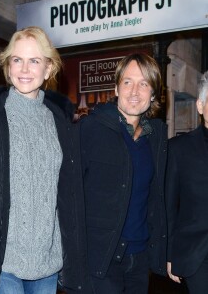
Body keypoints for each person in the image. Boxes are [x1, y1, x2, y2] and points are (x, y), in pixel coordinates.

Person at [0, 26, 89, 294]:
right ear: (7, 67)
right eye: (17, 60)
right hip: (3, 261)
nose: (25, 69)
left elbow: (67, 192)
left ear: (48, 69)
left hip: (47, 262)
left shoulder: (60, 121)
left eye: (34, 61)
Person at [80, 53, 168, 294]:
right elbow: (69, 194)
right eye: (127, 82)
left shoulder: (156, 137)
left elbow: (158, 196)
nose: (134, 91)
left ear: (153, 94)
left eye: (143, 84)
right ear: (116, 88)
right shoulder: (90, 129)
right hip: (101, 259)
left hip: (139, 259)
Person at [166, 71, 208, 293]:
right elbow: (169, 207)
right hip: (196, 256)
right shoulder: (178, 149)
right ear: (200, 106)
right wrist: (170, 254)